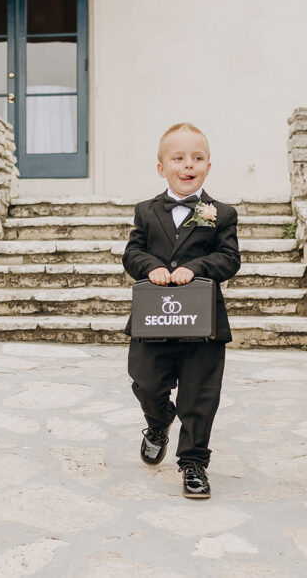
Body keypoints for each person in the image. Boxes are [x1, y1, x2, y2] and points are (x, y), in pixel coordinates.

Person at [122, 123, 241, 499]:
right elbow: (132, 253)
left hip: (203, 323)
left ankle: (193, 464)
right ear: (161, 168)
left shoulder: (221, 213)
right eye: (178, 158)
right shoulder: (146, 210)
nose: (188, 165)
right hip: (153, 317)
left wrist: (198, 268)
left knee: (199, 395)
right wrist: (149, 267)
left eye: (197, 158)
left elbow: (229, 258)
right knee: (144, 380)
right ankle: (158, 422)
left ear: (208, 165)